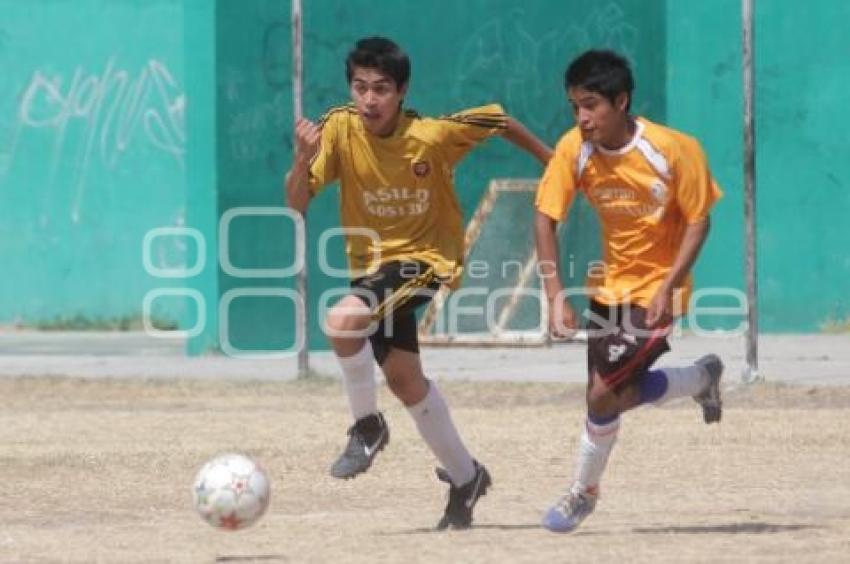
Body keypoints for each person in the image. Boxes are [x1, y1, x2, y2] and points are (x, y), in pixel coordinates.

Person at [285, 36, 551, 530]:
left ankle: (367, 427)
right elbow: (296, 204)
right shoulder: (339, 129)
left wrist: (552, 161)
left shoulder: (430, 136)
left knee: (342, 321)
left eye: (381, 88)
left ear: (401, 90)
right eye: (360, 87)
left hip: (425, 261)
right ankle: (466, 477)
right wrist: (302, 158)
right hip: (372, 271)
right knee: (406, 382)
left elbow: (496, 118)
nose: (369, 99)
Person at [534, 49, 724, 533]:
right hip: (608, 290)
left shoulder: (675, 149)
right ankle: (700, 379)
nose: (582, 117)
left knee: (601, 395)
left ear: (621, 101)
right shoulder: (573, 149)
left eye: (592, 105)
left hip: (659, 293)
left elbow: (699, 222)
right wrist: (556, 292)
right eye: (575, 105)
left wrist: (669, 285)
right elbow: (545, 218)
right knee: (610, 397)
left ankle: (582, 493)